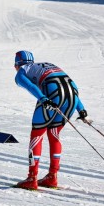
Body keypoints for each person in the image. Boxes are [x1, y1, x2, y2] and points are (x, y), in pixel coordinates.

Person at [13, 50, 91, 190]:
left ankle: (32, 178)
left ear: (17, 64)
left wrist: (43, 99)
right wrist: (82, 110)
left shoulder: (21, 72)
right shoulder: (45, 65)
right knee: (54, 134)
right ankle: (52, 176)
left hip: (52, 94)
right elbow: (67, 87)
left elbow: (30, 86)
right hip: (72, 96)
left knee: (36, 135)